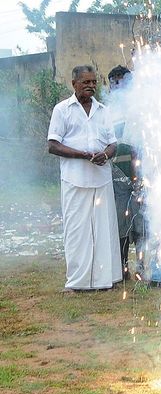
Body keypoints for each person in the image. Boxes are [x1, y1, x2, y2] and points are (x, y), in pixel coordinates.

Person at [47, 65, 121, 291]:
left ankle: (103, 280)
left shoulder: (103, 111)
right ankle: (76, 282)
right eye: (85, 82)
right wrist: (82, 155)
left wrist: (105, 154)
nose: (90, 86)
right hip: (74, 179)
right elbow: (52, 145)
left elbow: (113, 143)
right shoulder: (62, 110)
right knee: (77, 231)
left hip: (101, 178)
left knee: (102, 230)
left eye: (93, 83)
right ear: (74, 84)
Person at [107, 65, 138, 280]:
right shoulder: (105, 109)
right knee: (121, 220)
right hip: (117, 170)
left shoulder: (139, 105)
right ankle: (122, 266)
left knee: (142, 220)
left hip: (139, 168)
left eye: (122, 80)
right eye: (114, 80)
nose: (118, 84)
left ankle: (145, 266)